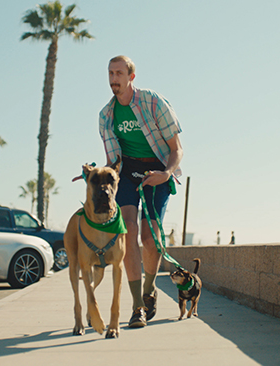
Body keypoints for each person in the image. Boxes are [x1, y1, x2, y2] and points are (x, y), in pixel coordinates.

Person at [99, 55, 183, 328]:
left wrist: (166, 174)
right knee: (129, 231)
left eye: (119, 73)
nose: (114, 79)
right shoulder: (106, 115)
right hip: (128, 173)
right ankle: (137, 307)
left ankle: (149, 290)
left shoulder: (153, 102)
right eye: (111, 73)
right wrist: (96, 174)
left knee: (150, 239)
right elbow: (113, 161)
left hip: (156, 171)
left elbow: (176, 148)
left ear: (131, 77)